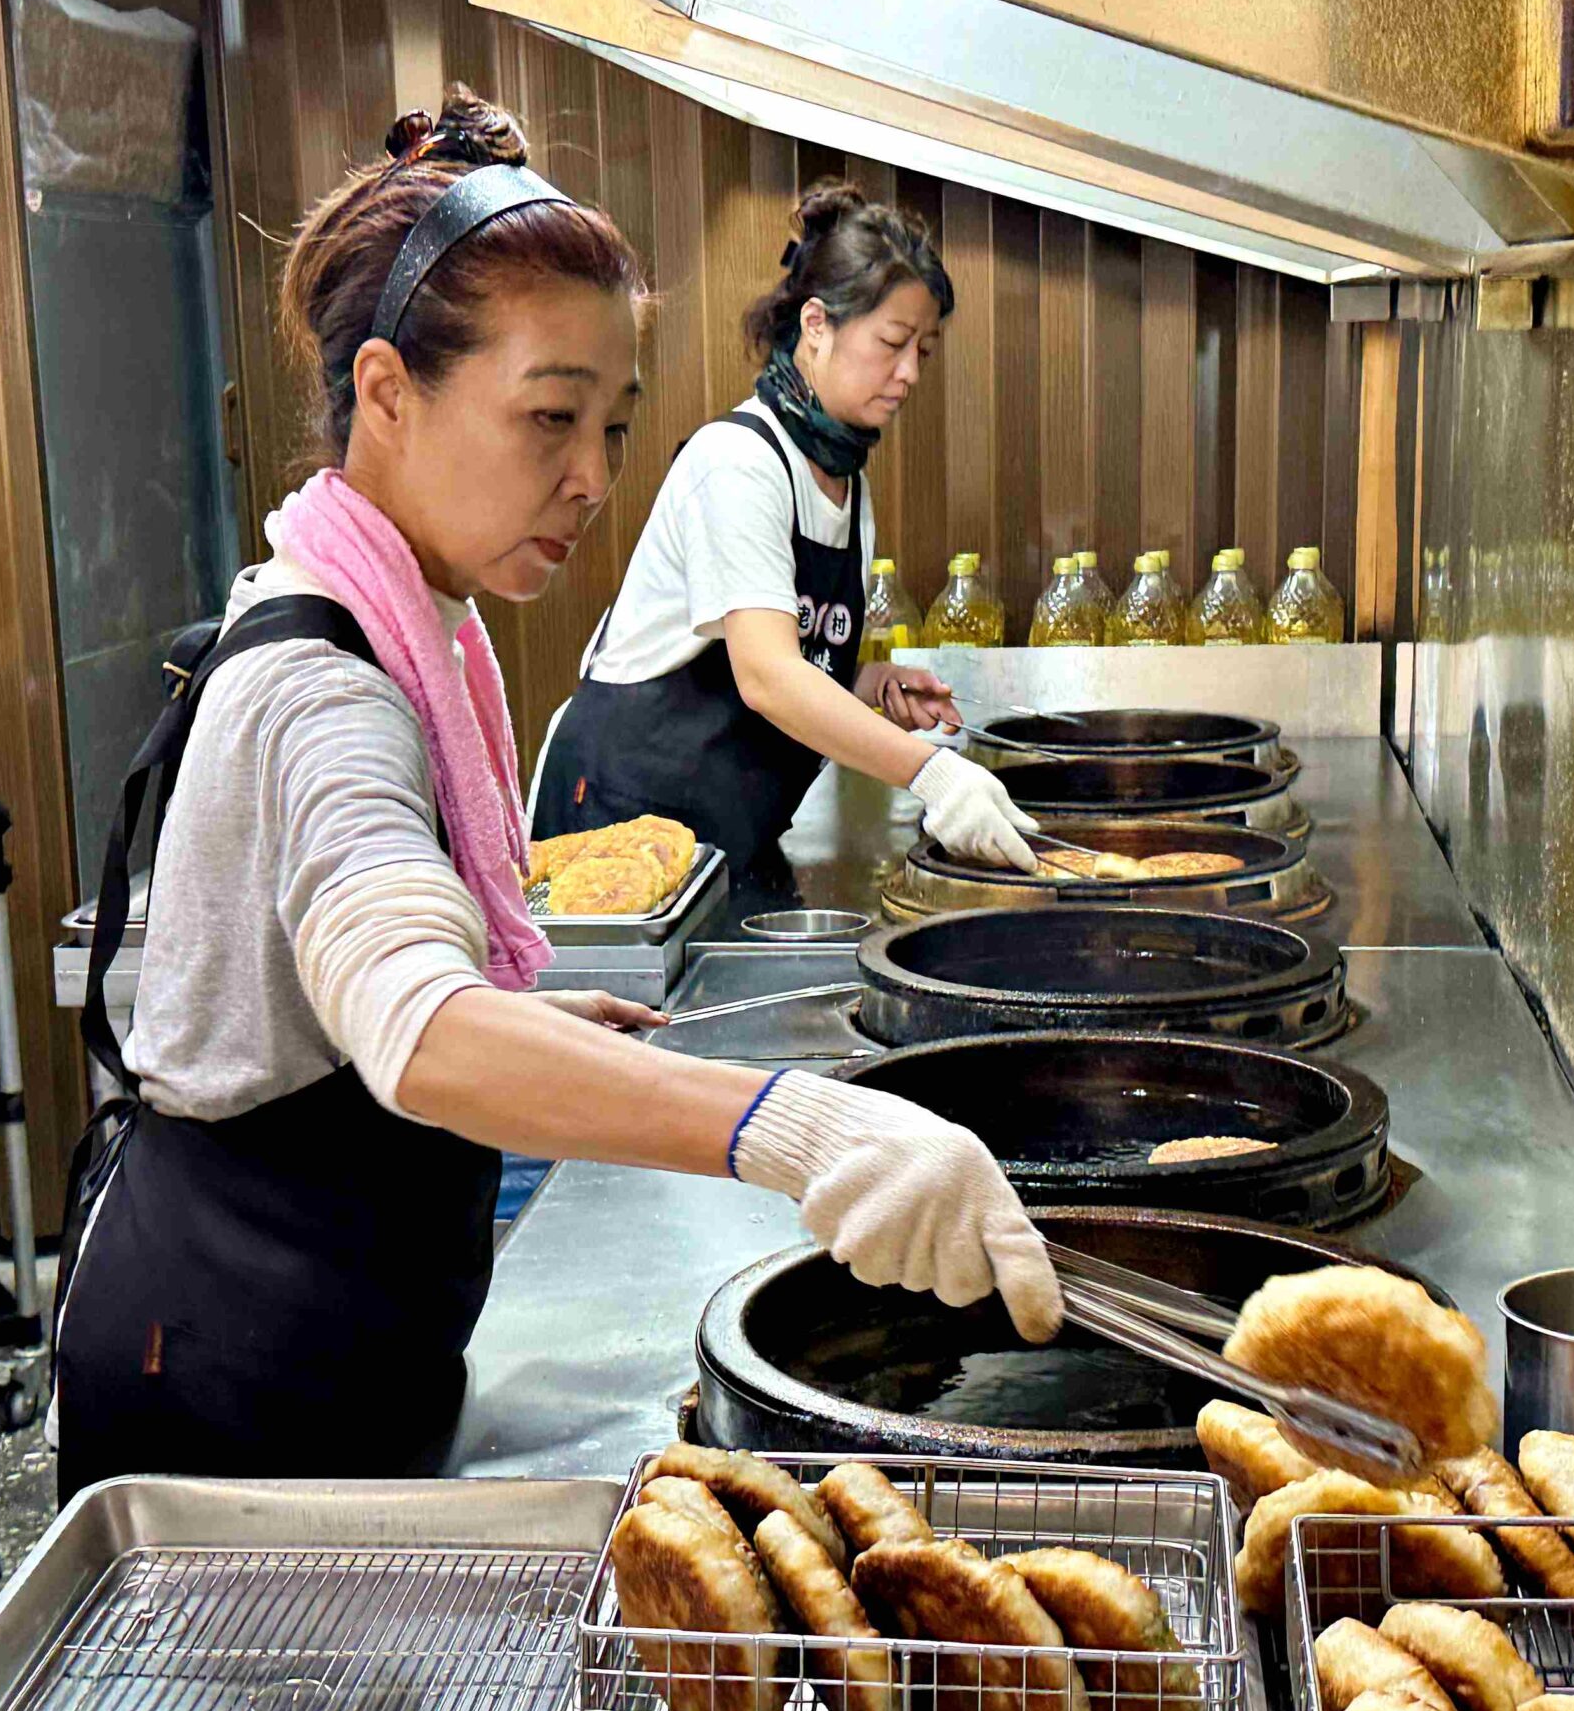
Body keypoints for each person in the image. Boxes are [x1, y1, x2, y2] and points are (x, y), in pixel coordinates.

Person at [54, 91, 1061, 1500]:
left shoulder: (404, 615)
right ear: (388, 393)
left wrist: (521, 1020)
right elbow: (417, 1032)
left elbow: (358, 1009)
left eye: (612, 426)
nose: (591, 479)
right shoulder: (326, 691)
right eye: (548, 418)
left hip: (326, 1333)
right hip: (231, 1380)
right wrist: (799, 1129)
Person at [529, 182, 1036, 885]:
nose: (910, 373)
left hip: (725, 836)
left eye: (924, 350)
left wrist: (868, 684)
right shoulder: (738, 460)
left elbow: (790, 661)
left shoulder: (847, 484)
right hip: (618, 819)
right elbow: (767, 676)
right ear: (817, 323)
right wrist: (934, 774)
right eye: (893, 343)